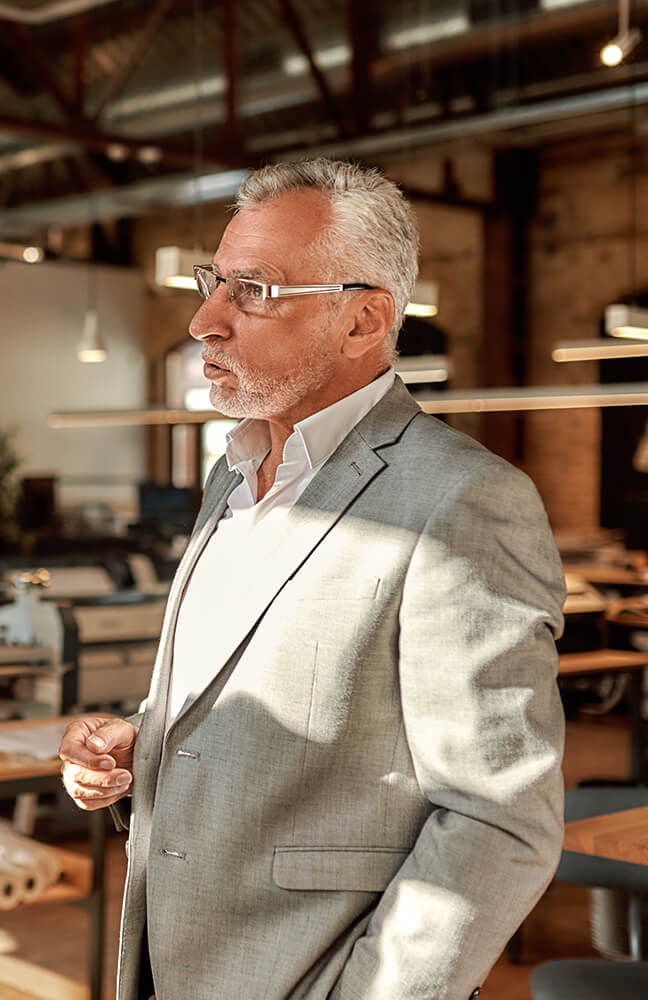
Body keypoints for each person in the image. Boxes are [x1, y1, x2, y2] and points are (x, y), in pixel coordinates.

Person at [59, 160, 566, 1000]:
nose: (203, 321)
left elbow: (499, 818)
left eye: (252, 290)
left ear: (364, 318)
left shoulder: (464, 502)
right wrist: (141, 742)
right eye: (213, 281)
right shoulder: (234, 475)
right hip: (174, 964)